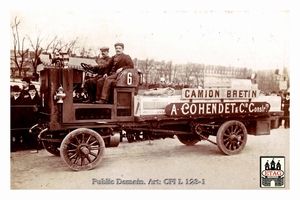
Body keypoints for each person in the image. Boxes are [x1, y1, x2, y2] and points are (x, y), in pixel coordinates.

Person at [23, 85, 40, 149]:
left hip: (35, 117)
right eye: (31, 91)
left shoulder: (38, 99)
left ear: (35, 92)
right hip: (27, 118)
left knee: (35, 131)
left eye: (33, 91)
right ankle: (29, 145)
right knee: (28, 131)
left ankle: (36, 145)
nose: (32, 92)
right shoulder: (26, 99)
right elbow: (24, 108)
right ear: (29, 92)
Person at [11, 85, 24, 152]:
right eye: (15, 91)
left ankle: (18, 145)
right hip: (12, 119)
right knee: (12, 133)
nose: (16, 93)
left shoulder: (22, 100)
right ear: (13, 92)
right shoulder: (10, 100)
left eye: (18, 91)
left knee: (18, 133)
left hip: (19, 119)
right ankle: (12, 146)